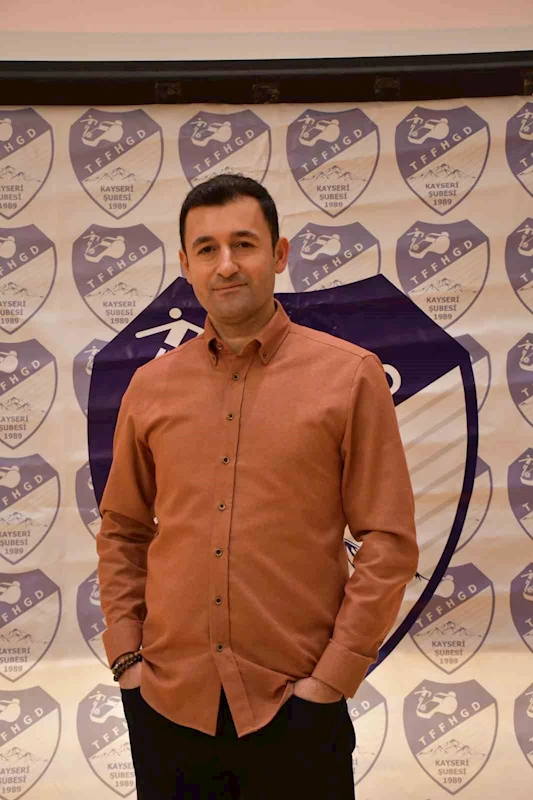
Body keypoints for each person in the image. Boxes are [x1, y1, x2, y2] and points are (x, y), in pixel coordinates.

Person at [96, 174, 418, 799]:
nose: (226, 265)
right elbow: (123, 530)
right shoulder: (150, 388)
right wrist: (127, 658)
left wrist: (332, 680)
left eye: (243, 244)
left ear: (279, 254)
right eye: (207, 249)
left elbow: (388, 541)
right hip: (167, 708)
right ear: (185, 264)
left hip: (297, 711)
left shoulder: (350, 376)